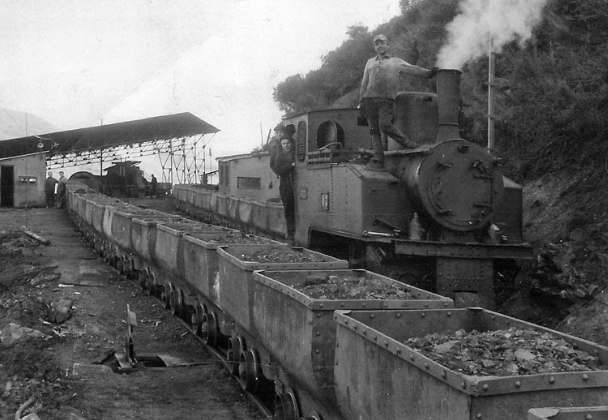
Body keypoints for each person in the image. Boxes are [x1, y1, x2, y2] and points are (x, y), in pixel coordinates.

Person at [359, 34, 437, 168]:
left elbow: (413, 68)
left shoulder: (395, 61)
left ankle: (410, 145)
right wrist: (361, 102)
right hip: (369, 99)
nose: (380, 46)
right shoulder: (370, 62)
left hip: (386, 99)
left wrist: (429, 73)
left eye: (382, 43)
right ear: (375, 47)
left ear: (387, 45)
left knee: (385, 125)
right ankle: (379, 157)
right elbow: (364, 82)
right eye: (377, 44)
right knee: (374, 130)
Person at [272, 134, 296, 244]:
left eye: (288, 143)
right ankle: (291, 233)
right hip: (286, 185)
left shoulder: (296, 154)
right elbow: (278, 170)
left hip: (296, 183)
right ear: (281, 145)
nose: (287, 146)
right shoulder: (279, 157)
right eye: (284, 144)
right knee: (288, 208)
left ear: (292, 143)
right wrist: (291, 166)